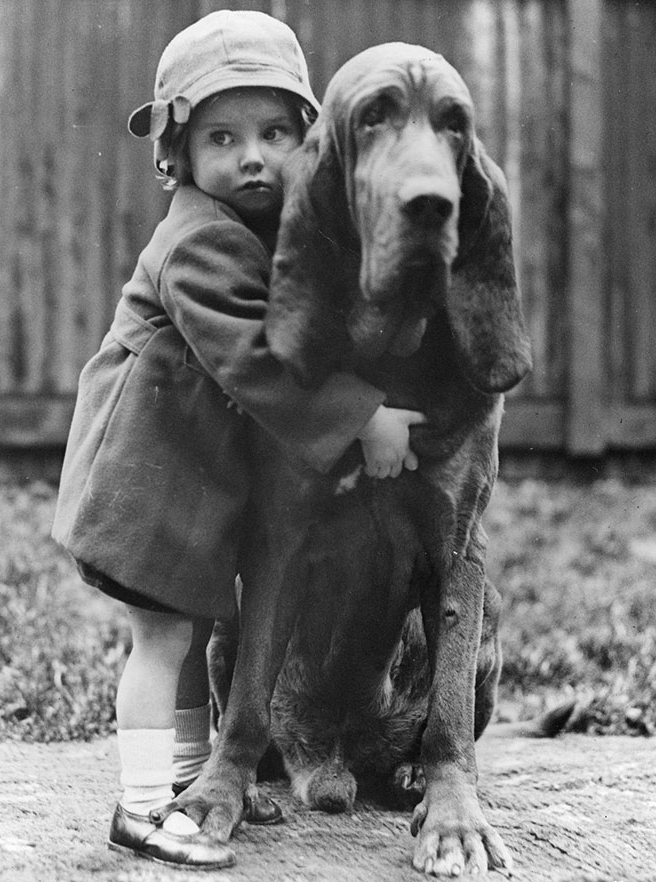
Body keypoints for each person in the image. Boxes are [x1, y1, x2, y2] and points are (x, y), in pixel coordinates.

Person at [52, 9, 424, 870]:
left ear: (309, 141)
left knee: (185, 633)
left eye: (274, 132)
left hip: (190, 475)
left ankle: (193, 780)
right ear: (176, 156)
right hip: (145, 476)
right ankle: (141, 808)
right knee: (162, 642)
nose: (252, 156)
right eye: (222, 136)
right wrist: (361, 416)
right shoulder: (202, 240)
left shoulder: (257, 229)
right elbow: (258, 363)